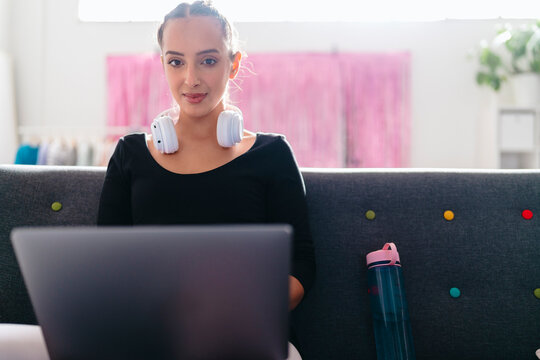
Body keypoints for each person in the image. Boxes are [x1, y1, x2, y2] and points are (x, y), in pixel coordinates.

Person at [0, 1, 315, 359]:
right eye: (176, 61)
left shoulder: (271, 155)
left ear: (234, 64)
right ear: (163, 62)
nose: (190, 79)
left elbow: (301, 269)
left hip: (246, 338)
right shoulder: (130, 155)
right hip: (148, 336)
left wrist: (229, 313)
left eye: (208, 60)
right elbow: (110, 266)